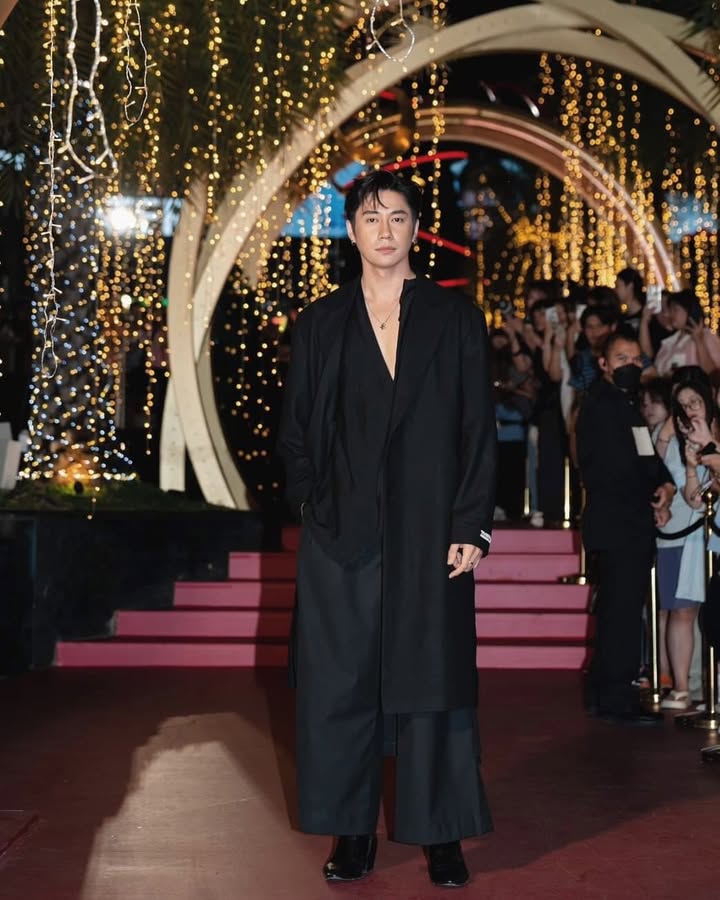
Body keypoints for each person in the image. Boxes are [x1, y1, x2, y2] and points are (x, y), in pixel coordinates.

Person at [277, 169, 497, 888]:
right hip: (340, 534)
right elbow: (296, 431)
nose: (384, 230)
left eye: (397, 218)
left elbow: (477, 428)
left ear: (415, 230)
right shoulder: (320, 323)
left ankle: (443, 833)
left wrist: (471, 523)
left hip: (431, 533)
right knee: (341, 685)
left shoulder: (455, 318)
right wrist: (311, 505)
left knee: (434, 682)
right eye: (370, 218)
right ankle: (351, 832)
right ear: (350, 231)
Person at [577, 331, 675, 725]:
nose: (631, 365)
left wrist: (665, 483)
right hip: (619, 524)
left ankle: (606, 692)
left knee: (619, 610)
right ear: (603, 363)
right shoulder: (603, 406)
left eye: (637, 359)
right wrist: (654, 489)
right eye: (622, 358)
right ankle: (616, 697)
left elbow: (646, 457)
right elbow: (617, 469)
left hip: (626, 523)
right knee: (621, 613)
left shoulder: (624, 404)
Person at [650, 289, 720, 379]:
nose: (670, 314)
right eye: (670, 309)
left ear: (689, 310)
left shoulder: (706, 336)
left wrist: (699, 341)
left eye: (675, 309)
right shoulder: (669, 342)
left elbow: (713, 373)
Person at [615, 267, 645, 333]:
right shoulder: (621, 319)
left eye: (617, 286)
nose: (615, 290)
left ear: (630, 286)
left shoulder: (647, 317)